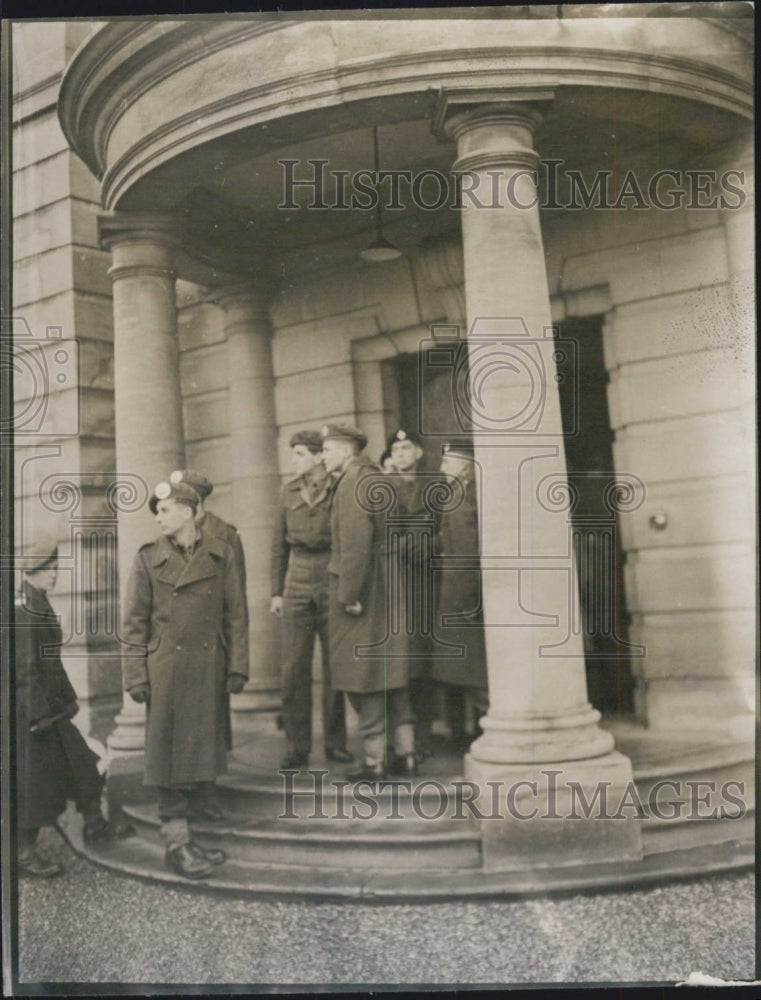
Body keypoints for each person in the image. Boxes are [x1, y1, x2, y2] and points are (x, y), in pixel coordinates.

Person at [122, 480, 249, 879]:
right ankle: (177, 844)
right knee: (168, 753)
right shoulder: (147, 559)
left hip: (208, 666)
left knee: (199, 746)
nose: (159, 517)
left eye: (167, 509)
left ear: (191, 512)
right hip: (167, 669)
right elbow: (133, 624)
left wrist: (238, 665)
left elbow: (236, 615)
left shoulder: (221, 553)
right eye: (157, 511)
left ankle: (190, 839)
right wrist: (136, 675)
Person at [15, 538, 133, 877]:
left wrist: (67, 700)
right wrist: (38, 717)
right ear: (32, 573)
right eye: (47, 570)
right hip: (35, 717)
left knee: (85, 764)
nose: (53, 575)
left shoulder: (39, 602)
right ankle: (24, 854)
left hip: (51, 711)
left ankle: (95, 825)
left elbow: (52, 663)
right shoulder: (24, 608)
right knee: (34, 785)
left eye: (54, 569)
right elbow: (25, 670)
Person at [321, 423, 416, 781]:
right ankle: (405, 753)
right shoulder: (378, 478)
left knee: (364, 674)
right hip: (388, 582)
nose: (325, 455)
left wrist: (349, 595)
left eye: (329, 449)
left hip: (365, 586)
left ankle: (375, 761)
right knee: (388, 670)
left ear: (347, 450)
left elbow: (356, 543)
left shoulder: (352, 483)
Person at [270, 429, 351, 769]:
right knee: (294, 668)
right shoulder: (287, 492)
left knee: (335, 666)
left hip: (330, 572)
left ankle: (336, 743)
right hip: (298, 576)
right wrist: (276, 591)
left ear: (320, 456)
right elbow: (278, 546)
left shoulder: (340, 487)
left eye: (300, 454)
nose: (294, 461)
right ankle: (296, 745)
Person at [169, 468, 249, 759]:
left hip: (211, 640)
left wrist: (239, 662)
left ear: (196, 503)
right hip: (177, 640)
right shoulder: (171, 530)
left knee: (211, 715)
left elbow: (236, 602)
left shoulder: (225, 535)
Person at [432, 441, 488, 751]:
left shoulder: (462, 496)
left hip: (460, 596)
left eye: (448, 463)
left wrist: (465, 601)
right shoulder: (462, 493)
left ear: (465, 466)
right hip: (459, 592)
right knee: (465, 668)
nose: (442, 469)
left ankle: (490, 727)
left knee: (470, 670)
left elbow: (466, 553)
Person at [386, 427, 438, 760]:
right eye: (397, 449)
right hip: (399, 580)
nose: (402, 453)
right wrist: (404, 545)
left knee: (430, 657)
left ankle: (428, 734)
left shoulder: (437, 485)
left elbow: (453, 528)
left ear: (418, 452)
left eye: (407, 447)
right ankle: (408, 740)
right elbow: (376, 532)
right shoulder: (384, 489)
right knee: (406, 659)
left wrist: (432, 544)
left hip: (431, 580)